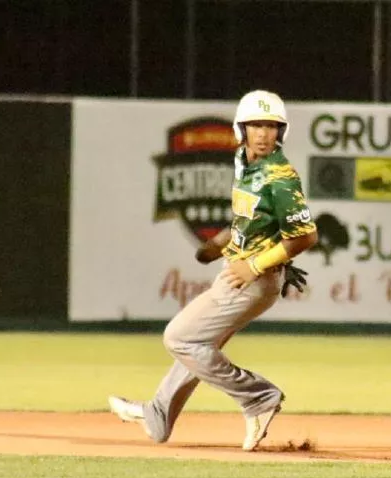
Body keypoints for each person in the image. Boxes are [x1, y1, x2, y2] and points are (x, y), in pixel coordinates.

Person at [108, 89, 318, 452]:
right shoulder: (245, 163)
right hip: (240, 270)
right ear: (242, 129)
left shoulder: (279, 176)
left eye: (272, 126)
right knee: (197, 346)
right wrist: (218, 245)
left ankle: (258, 397)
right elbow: (246, 219)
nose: (264, 133)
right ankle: (158, 414)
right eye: (256, 125)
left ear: (282, 132)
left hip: (251, 278)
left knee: (179, 338)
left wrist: (257, 264)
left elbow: (305, 235)